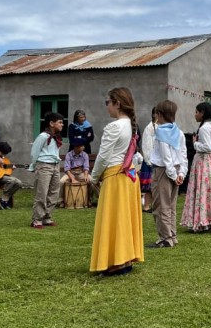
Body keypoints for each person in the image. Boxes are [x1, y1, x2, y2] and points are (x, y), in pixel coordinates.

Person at [90, 88, 144, 274]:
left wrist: (94, 177)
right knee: (124, 219)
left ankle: (117, 261)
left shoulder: (114, 126)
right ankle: (125, 259)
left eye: (108, 103)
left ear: (117, 103)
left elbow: (103, 157)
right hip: (128, 177)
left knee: (115, 219)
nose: (107, 107)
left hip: (115, 177)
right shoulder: (131, 125)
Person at [181, 102, 211, 233]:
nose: (195, 114)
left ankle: (203, 221)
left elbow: (209, 147)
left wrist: (195, 144)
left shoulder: (204, 129)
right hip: (209, 161)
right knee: (210, 190)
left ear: (202, 113)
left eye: (197, 112)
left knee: (202, 188)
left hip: (203, 160)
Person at [148, 100, 188, 248]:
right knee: (171, 205)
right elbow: (183, 155)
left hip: (164, 171)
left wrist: (172, 174)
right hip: (176, 170)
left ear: (159, 114)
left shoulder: (161, 133)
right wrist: (181, 173)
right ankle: (172, 234)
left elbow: (166, 158)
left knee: (161, 205)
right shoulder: (179, 132)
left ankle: (165, 238)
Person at [28, 111, 64, 229]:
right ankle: (37, 219)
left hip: (55, 165)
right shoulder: (43, 136)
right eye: (60, 122)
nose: (62, 124)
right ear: (51, 123)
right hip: (44, 166)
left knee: (54, 193)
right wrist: (34, 166)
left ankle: (47, 217)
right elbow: (35, 152)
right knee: (42, 193)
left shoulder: (57, 137)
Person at [0, 141, 23, 209]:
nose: (3, 155)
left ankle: (4, 198)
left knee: (19, 183)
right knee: (12, 180)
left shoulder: (3, 158)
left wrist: (11, 169)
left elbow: (5, 172)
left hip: (1, 176)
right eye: (2, 153)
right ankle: (3, 200)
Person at [59, 136, 92, 205]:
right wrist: (72, 179)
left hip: (81, 173)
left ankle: (89, 199)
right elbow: (67, 168)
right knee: (61, 182)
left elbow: (86, 167)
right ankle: (61, 200)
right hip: (71, 173)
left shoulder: (85, 155)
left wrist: (86, 176)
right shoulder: (69, 155)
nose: (83, 147)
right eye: (82, 146)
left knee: (91, 180)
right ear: (76, 147)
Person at [139, 108, 157, 212]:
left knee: (155, 186)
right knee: (148, 187)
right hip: (149, 160)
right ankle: (146, 206)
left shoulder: (161, 127)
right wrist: (148, 160)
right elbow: (146, 145)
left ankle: (154, 205)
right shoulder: (149, 128)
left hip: (157, 160)